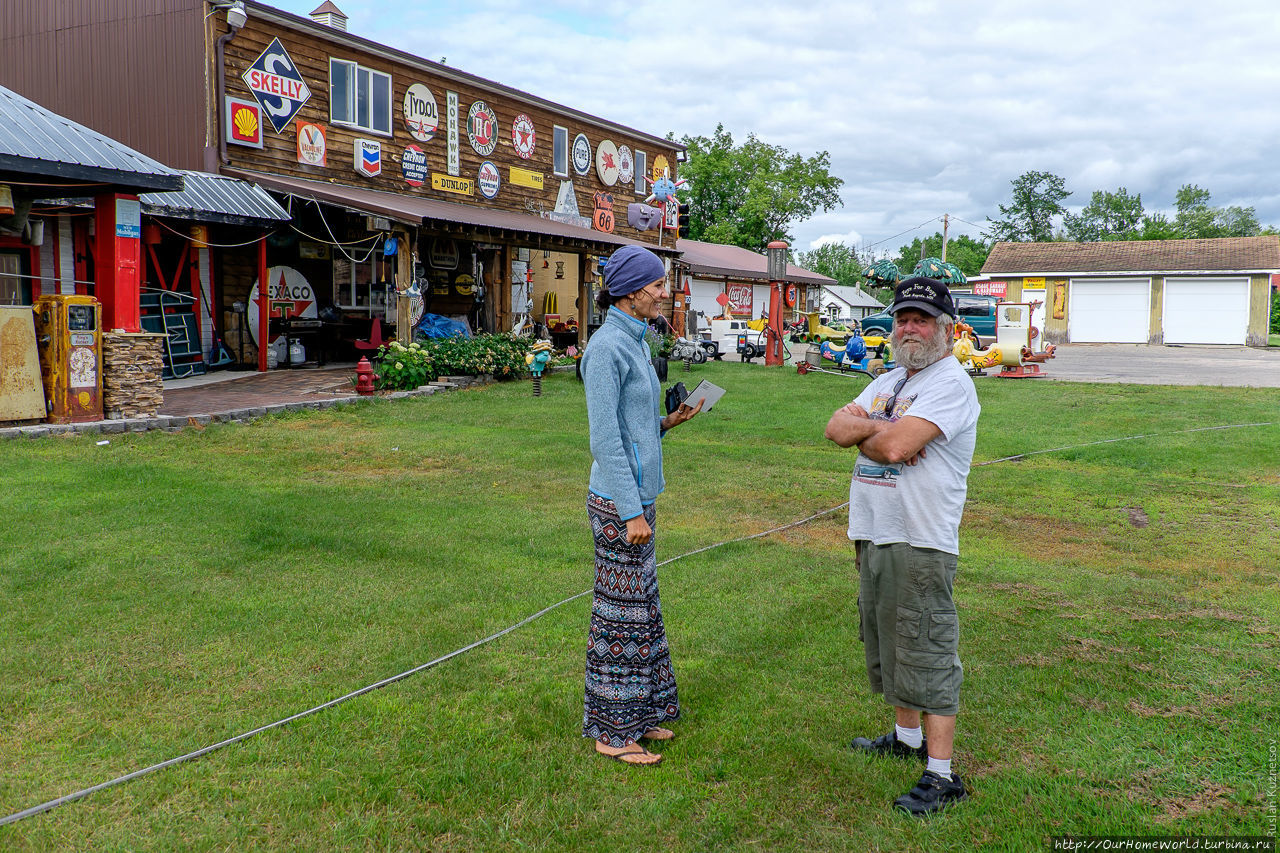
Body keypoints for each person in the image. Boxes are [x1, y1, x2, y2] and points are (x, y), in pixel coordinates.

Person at [823, 276, 980, 815]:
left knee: (926, 648)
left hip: (919, 536)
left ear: (946, 330)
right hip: (875, 531)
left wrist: (873, 428)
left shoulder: (950, 384)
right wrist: (877, 428)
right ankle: (905, 739)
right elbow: (834, 428)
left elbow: (891, 446)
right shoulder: (890, 380)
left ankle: (942, 776)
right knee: (890, 641)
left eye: (922, 320)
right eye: (903, 319)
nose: (909, 329)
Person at [580, 245, 702, 766]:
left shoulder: (634, 342)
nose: (663, 292)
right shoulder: (606, 349)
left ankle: (641, 713)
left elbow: (632, 428)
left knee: (642, 612)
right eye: (656, 285)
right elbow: (606, 440)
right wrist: (630, 511)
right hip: (616, 504)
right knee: (617, 616)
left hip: (637, 499)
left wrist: (665, 424)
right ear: (632, 292)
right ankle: (611, 729)